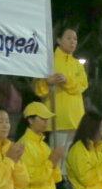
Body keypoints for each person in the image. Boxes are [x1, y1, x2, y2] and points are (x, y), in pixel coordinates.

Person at [15, 102, 91, 189]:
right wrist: (51, 162)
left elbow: (56, 179)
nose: (46, 122)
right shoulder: (23, 145)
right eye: (42, 119)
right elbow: (29, 179)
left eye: (47, 119)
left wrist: (55, 164)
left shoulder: (44, 146)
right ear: (30, 120)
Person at [32, 27, 88, 158]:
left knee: (71, 155)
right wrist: (47, 82)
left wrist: (67, 81)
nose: (73, 42)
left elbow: (83, 85)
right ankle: (57, 178)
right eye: (68, 38)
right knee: (56, 153)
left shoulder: (77, 64)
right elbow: (38, 89)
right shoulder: (48, 61)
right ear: (58, 40)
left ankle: (66, 177)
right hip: (58, 115)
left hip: (76, 115)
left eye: (75, 39)